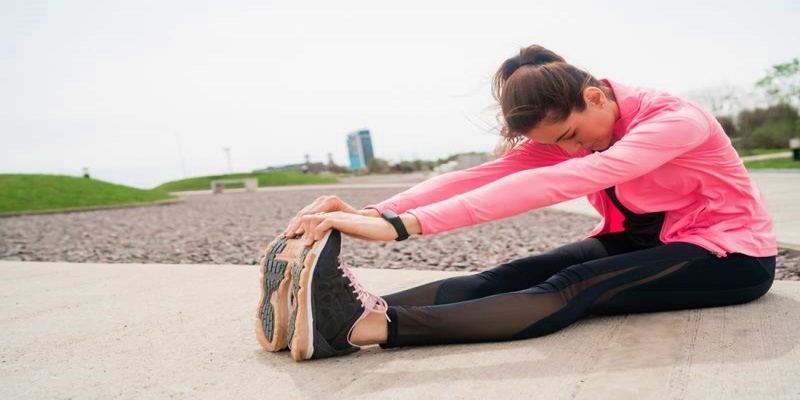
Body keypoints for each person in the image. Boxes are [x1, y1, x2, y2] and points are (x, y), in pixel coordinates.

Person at [255, 45, 777, 362]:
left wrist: (407, 226)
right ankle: (329, 310)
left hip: (728, 255)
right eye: (559, 143)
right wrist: (377, 213)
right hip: (647, 237)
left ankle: (371, 327)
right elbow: (485, 175)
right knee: (509, 273)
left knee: (571, 288)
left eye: (572, 135)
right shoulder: (577, 127)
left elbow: (573, 177)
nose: (569, 149)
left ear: (596, 97)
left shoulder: (672, 121)